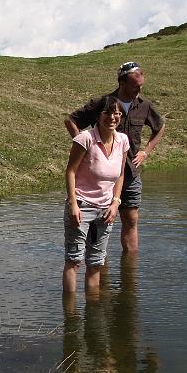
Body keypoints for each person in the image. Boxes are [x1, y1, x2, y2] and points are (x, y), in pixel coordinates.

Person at [65, 61, 165, 254]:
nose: (139, 90)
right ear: (122, 83)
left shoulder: (144, 106)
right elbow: (71, 120)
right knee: (100, 219)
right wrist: (86, 147)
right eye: (135, 86)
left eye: (141, 86)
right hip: (100, 177)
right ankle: (99, 262)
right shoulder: (104, 103)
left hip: (130, 172)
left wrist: (146, 151)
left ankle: (130, 274)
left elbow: (160, 127)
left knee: (131, 218)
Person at [62, 100, 129, 295]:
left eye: (116, 114)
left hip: (106, 210)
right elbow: (70, 172)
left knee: (96, 263)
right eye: (107, 113)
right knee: (74, 260)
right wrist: (73, 204)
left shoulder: (123, 141)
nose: (112, 118)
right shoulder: (85, 139)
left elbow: (121, 174)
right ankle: (71, 316)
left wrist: (116, 202)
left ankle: (93, 313)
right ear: (98, 116)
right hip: (81, 205)